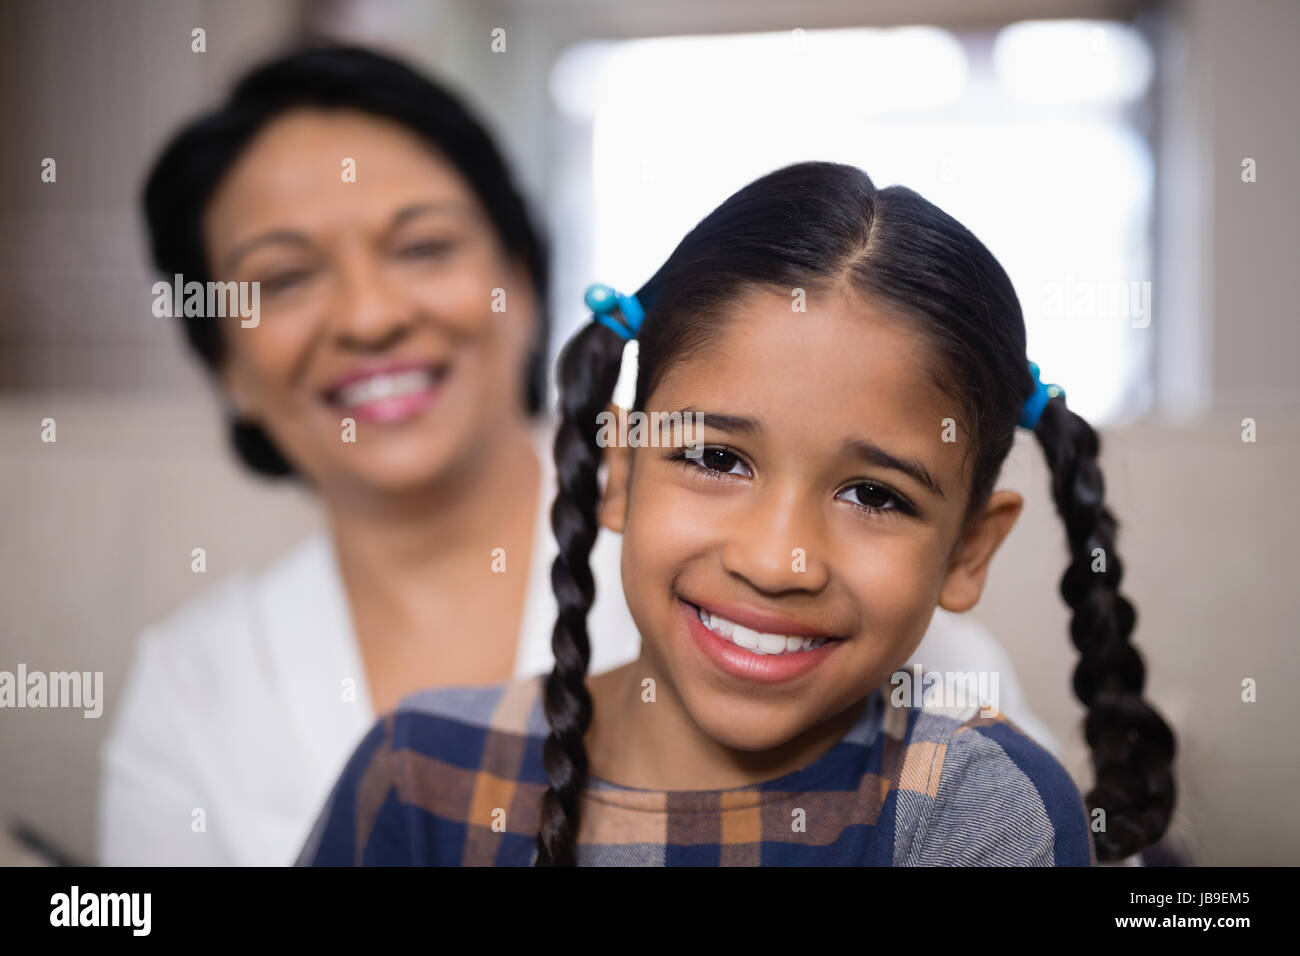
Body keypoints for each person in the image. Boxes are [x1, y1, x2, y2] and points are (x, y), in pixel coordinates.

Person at [100, 45, 1055, 867]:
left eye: (423, 247)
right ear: (220, 356)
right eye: (286, 276)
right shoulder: (200, 685)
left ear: (521, 276)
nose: (370, 315)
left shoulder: (919, 726)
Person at [298, 162, 1177, 867]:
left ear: (966, 554)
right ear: (616, 472)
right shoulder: (421, 776)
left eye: (875, 495)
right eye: (716, 458)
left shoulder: (973, 810)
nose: (777, 559)